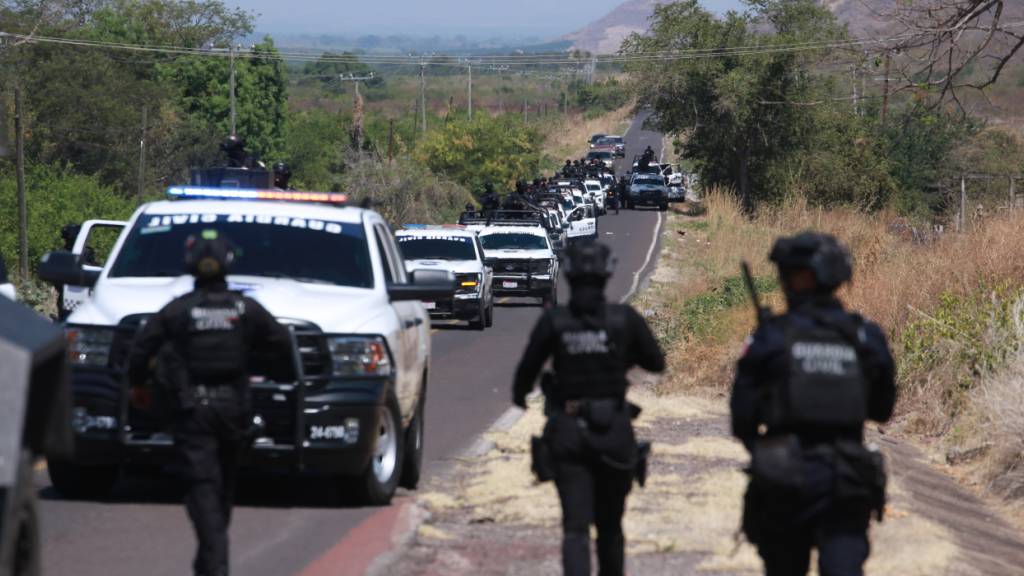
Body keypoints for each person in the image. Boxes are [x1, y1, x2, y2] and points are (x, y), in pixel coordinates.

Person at [127, 230, 295, 576]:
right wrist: (267, 371)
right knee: (222, 488)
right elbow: (282, 343)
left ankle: (214, 563)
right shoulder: (246, 309)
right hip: (235, 411)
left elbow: (140, 350)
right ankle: (210, 562)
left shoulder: (177, 310)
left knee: (204, 488)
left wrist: (138, 386)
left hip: (193, 413)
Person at [731, 232, 896, 576]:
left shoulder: (772, 336)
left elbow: (742, 419)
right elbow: (882, 409)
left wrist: (768, 443)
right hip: (846, 477)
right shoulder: (865, 336)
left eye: (787, 274)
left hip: (784, 479)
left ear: (802, 278)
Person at [513, 243, 665, 576]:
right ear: (607, 275)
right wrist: (620, 354)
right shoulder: (624, 319)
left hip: (568, 433)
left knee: (575, 529)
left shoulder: (555, 321)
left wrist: (520, 396)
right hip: (613, 430)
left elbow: (526, 372)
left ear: (568, 275)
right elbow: (656, 361)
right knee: (610, 527)